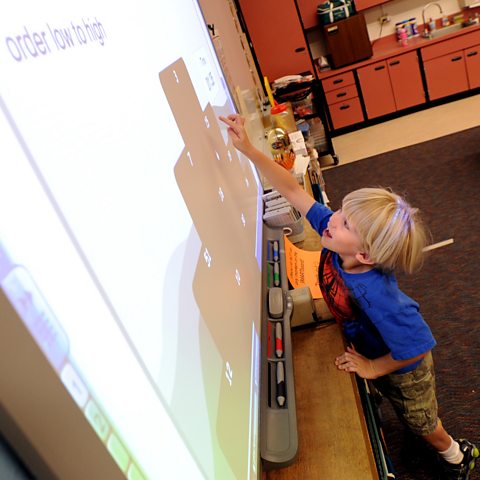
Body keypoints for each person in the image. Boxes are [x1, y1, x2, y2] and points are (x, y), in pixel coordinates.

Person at [220, 113, 478, 480]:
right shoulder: (335, 236)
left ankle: (456, 455)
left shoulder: (376, 293)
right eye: (340, 211)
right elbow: (293, 191)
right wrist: (248, 150)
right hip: (375, 347)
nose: (331, 220)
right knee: (395, 404)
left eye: (345, 224)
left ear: (366, 256)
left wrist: (374, 367)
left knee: (421, 421)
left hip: (406, 368)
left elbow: (418, 343)